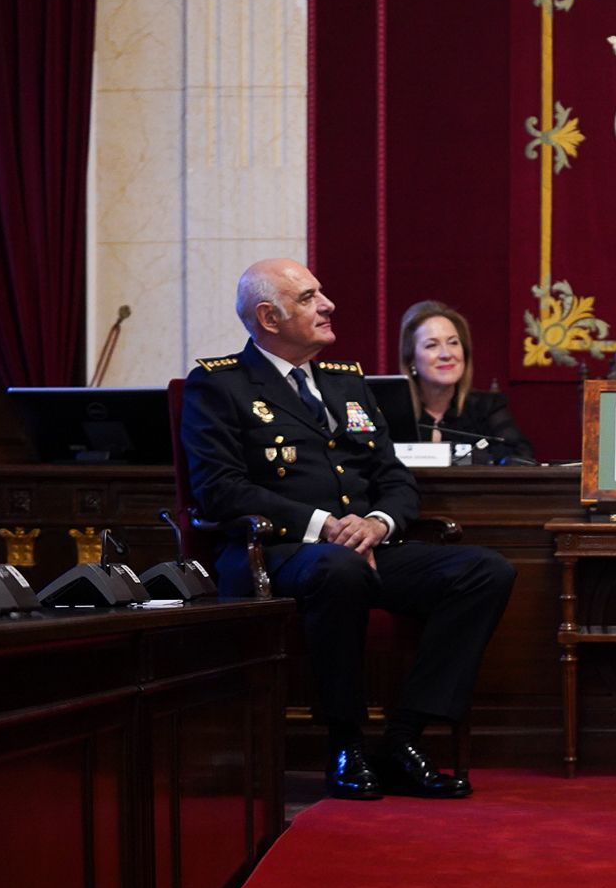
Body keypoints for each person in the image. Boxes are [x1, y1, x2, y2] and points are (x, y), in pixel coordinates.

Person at [181, 259, 515, 801]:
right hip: (276, 551)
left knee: (483, 571)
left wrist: (379, 523)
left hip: (363, 549)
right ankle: (346, 741)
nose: (327, 304)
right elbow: (219, 489)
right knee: (338, 569)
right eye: (310, 297)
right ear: (269, 316)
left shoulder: (347, 384)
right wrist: (325, 526)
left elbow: (394, 478)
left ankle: (405, 738)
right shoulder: (221, 385)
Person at [398, 300, 534, 464]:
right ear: (411, 359)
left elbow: (522, 457)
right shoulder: (392, 413)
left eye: (453, 342)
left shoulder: (487, 407)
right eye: (432, 345)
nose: (446, 354)